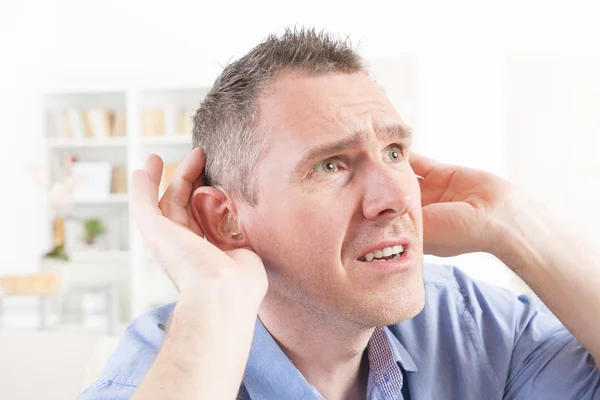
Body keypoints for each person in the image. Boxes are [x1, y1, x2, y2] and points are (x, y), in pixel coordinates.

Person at [78, 28, 600, 400]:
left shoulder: (463, 322)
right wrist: (213, 297)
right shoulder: (164, 371)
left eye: (395, 152)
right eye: (331, 164)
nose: (395, 196)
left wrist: (516, 227)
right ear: (226, 221)